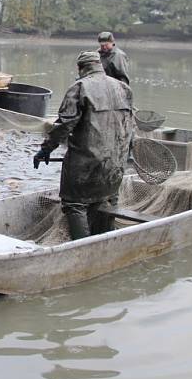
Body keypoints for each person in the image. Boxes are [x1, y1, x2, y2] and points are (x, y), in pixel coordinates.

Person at [33, 51, 134, 240]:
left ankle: (81, 247)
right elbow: (130, 126)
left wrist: (45, 150)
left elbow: (64, 124)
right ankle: (104, 245)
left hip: (86, 163)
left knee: (75, 204)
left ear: (81, 68)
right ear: (99, 66)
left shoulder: (79, 87)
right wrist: (128, 154)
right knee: (106, 201)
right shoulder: (124, 88)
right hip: (116, 164)